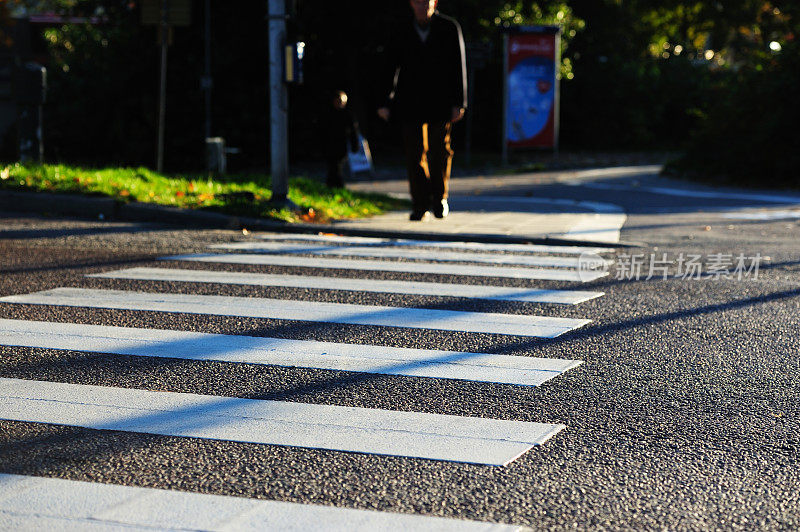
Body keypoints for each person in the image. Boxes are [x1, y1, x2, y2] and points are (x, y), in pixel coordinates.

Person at [377, 0, 467, 221]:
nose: (421, 6)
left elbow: (458, 65)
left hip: (440, 100)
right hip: (410, 101)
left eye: (425, 2)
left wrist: (459, 102)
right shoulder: (401, 29)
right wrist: (384, 101)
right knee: (414, 154)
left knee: (440, 150)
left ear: (434, 3)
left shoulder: (448, 27)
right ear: (410, 4)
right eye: (417, 2)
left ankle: (440, 199)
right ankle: (420, 203)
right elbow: (389, 66)